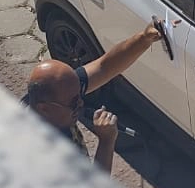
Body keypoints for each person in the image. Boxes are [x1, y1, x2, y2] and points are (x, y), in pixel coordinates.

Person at [21, 22, 175, 172]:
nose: (81, 103)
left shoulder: (61, 92)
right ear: (45, 108)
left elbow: (104, 67)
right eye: (74, 102)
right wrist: (106, 141)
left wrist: (144, 38)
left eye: (79, 95)